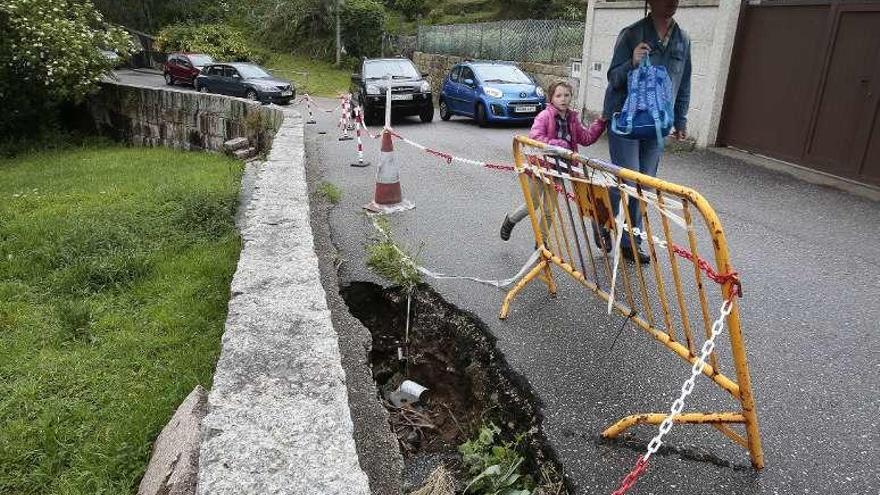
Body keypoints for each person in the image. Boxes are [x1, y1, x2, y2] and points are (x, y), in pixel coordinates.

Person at [601, 0, 692, 263]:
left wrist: (681, 120)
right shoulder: (632, 34)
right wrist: (631, 61)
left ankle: (631, 240)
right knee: (626, 180)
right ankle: (605, 223)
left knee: (645, 185)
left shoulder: (682, 40)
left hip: (658, 123)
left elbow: (683, 82)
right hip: (626, 120)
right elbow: (614, 79)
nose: (672, 2)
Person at [500, 81, 606, 241]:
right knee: (533, 205)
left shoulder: (572, 119)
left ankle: (541, 244)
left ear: (571, 97)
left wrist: (601, 122)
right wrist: (558, 145)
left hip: (559, 171)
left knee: (550, 211)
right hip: (539, 168)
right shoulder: (544, 116)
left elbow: (586, 138)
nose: (563, 99)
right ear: (552, 98)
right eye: (558, 95)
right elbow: (535, 137)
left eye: (566, 95)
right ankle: (511, 220)